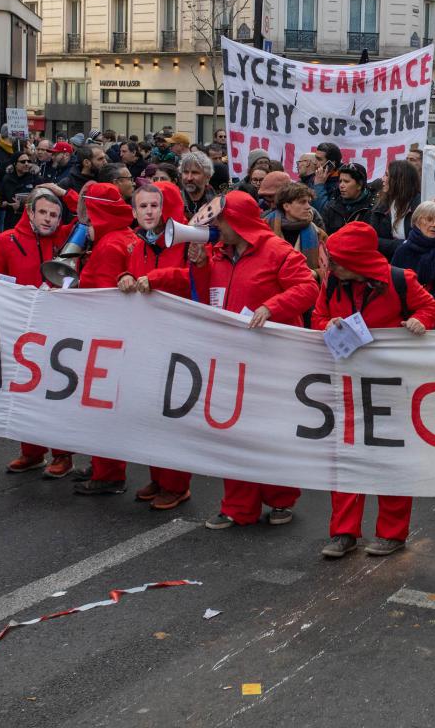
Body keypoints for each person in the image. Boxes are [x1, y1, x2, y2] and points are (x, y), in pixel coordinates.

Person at [133, 191, 319, 525]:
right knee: (233, 435)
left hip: (271, 359)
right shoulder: (217, 254)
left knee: (270, 435)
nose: (215, 226)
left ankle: (280, 498)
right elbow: (205, 294)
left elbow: (308, 288)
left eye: (220, 219)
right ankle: (238, 506)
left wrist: (271, 307)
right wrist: (199, 267)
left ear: (238, 221)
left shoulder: (278, 252)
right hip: (230, 358)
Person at [313, 221, 435, 559]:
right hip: (348, 383)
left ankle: (392, 534)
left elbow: (429, 307)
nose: (330, 267)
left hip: (392, 385)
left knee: (391, 458)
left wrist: (421, 321)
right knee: (347, 459)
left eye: (336, 262)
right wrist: (326, 324)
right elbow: (318, 316)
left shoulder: (400, 280)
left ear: (357, 261)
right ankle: (343, 532)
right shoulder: (332, 282)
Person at [0, 186, 78, 479]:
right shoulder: (6, 240)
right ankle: (32, 452)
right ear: (30, 213)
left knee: (57, 393)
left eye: (54, 214)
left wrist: (64, 192)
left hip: (59, 328)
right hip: (21, 328)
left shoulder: (67, 238)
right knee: (23, 391)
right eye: (42, 212)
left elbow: (88, 213)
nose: (48, 219)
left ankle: (63, 455)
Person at [117, 182, 194, 510]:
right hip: (148, 336)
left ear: (166, 208)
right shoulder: (139, 243)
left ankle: (176, 484)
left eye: (154, 205)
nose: (148, 212)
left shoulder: (187, 240)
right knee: (150, 412)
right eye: (143, 206)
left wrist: (158, 279)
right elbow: (135, 273)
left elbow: (195, 278)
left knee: (172, 414)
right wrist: (124, 275)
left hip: (178, 336)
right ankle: (159, 476)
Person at [71, 183, 140, 496]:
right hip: (118, 337)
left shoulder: (110, 245)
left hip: (104, 339)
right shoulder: (124, 236)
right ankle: (102, 464)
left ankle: (108, 473)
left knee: (101, 408)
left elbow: (101, 298)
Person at [271, 182, 327, 280]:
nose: (308, 207)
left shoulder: (318, 234)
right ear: (286, 206)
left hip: (306, 285)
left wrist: (315, 273)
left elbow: (329, 268)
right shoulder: (266, 227)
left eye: (308, 202)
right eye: (302, 202)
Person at [370, 159, 420, 258]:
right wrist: (401, 244)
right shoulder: (381, 206)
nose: (382, 179)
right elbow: (372, 240)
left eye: (387, 175)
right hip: (386, 261)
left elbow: (420, 242)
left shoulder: (420, 206)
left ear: (399, 180)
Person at [322, 162, 374, 235]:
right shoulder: (330, 207)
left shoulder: (373, 208)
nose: (341, 185)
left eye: (346, 181)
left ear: (359, 185)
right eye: (340, 181)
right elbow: (323, 235)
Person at [0, 152, 41, 231]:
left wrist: (20, 206)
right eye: (23, 162)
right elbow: (1, 197)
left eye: (28, 161)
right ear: (15, 164)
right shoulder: (7, 179)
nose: (26, 164)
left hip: (29, 221)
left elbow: (40, 200)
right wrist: (3, 203)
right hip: (11, 221)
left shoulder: (34, 178)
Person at [179, 150, 216, 219]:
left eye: (195, 173)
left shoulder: (216, 205)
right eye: (186, 172)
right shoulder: (175, 201)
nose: (189, 178)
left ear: (207, 177)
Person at [312, 142, 343, 212]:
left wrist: (319, 185)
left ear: (331, 163)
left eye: (319, 159)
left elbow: (325, 211)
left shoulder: (342, 184)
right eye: (315, 158)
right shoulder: (315, 175)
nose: (315, 162)